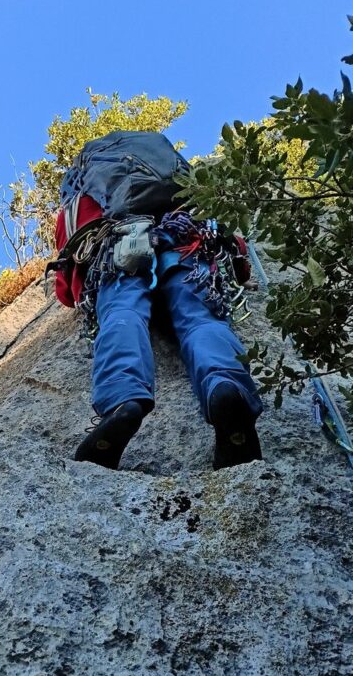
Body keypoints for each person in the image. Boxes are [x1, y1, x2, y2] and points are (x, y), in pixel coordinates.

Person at [52, 186, 263, 471]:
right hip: (184, 243)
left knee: (123, 314)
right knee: (201, 319)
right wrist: (241, 269)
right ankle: (226, 387)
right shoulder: (175, 178)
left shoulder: (82, 197)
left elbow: (66, 290)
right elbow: (231, 240)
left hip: (119, 250)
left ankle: (122, 401)